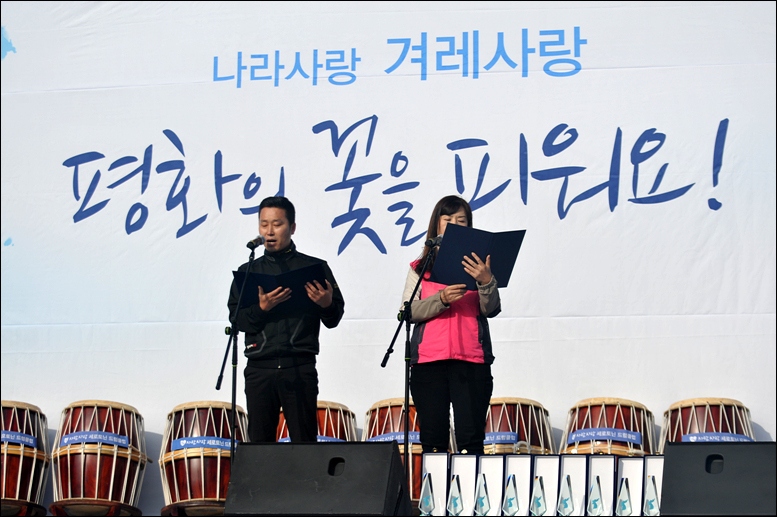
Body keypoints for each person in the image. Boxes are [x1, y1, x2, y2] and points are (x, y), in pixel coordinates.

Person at [228, 196, 345, 443]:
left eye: (277, 224)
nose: (269, 232)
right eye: (263, 224)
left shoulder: (315, 267)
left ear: (291, 228)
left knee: (304, 446)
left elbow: (334, 317)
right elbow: (237, 322)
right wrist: (261, 308)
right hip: (260, 369)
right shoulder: (249, 271)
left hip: (299, 368)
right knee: (260, 447)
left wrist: (325, 304)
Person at [401, 195, 501, 455]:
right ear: (436, 225)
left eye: (462, 220)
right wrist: (441, 299)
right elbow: (407, 312)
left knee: (471, 440)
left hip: (471, 361)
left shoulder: (480, 267)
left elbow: (490, 309)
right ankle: (433, 496)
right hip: (428, 362)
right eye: (448, 220)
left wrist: (486, 281)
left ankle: (470, 496)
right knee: (433, 441)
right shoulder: (420, 268)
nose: (455, 224)